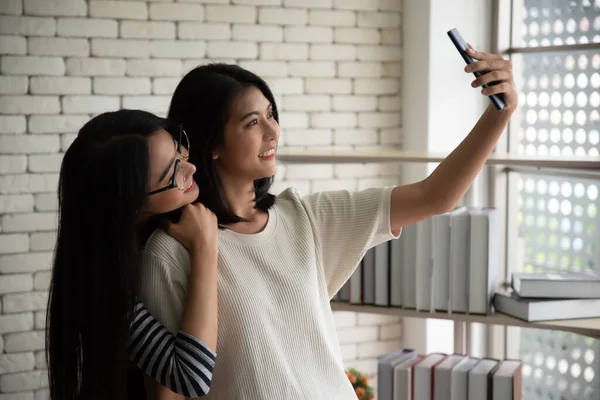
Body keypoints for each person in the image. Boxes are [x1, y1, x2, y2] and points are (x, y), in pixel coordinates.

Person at [139, 47, 517, 399]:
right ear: (211, 144)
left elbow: (435, 196)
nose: (273, 132)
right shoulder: (170, 254)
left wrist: (500, 114)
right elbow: (170, 393)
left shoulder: (304, 217)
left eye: (271, 114)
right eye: (252, 122)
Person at [45, 109, 219, 400]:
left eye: (180, 152)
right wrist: (205, 247)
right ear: (132, 204)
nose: (190, 169)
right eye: (172, 172)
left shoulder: (160, 227)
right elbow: (191, 377)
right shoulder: (104, 286)